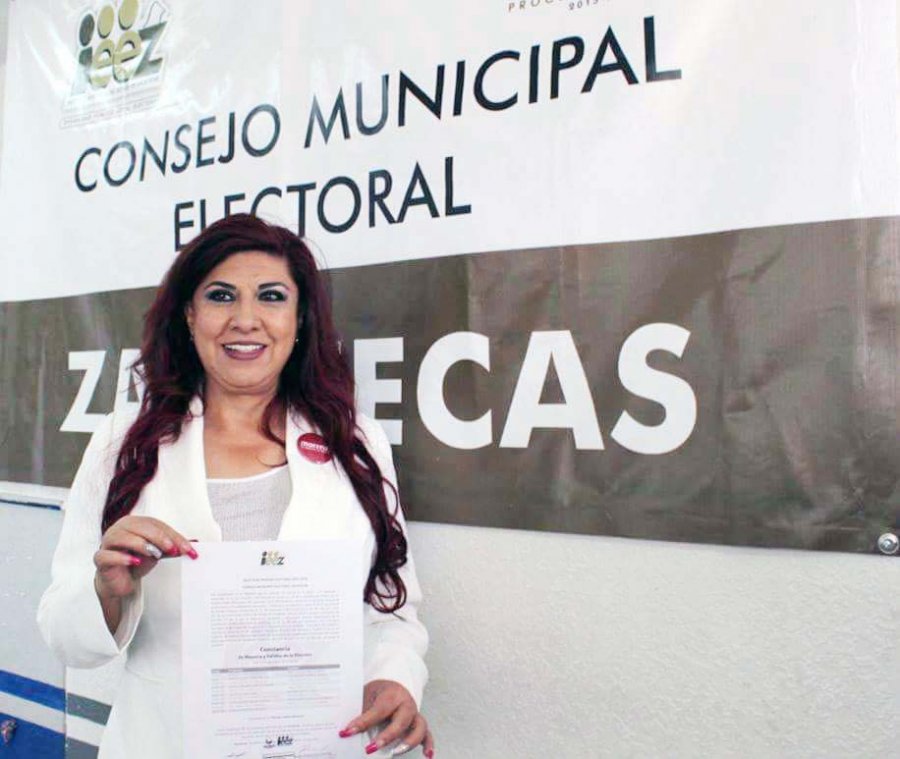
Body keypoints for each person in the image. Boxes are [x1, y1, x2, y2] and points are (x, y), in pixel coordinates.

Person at [37, 214, 434, 758]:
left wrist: (394, 679)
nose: (245, 320)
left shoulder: (356, 441)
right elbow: (64, 633)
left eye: (271, 297)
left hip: (318, 744)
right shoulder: (123, 443)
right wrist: (106, 591)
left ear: (300, 319)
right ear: (190, 315)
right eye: (221, 296)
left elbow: (391, 606)